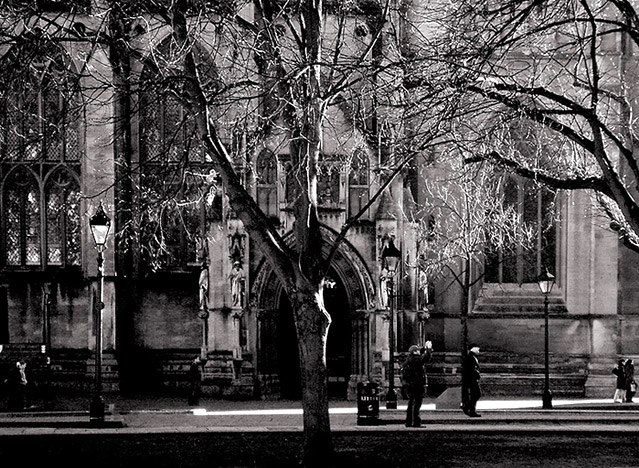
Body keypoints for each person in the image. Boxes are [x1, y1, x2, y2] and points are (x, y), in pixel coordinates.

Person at [401, 341, 433, 427]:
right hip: (416, 384)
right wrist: (429, 349)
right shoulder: (415, 359)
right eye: (417, 351)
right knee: (416, 403)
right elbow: (425, 358)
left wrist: (424, 348)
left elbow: (421, 355)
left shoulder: (410, 359)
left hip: (411, 384)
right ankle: (415, 422)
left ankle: (409, 421)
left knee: (412, 402)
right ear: (415, 352)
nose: (419, 352)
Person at [461, 344, 482, 417]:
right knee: (477, 394)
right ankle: (468, 407)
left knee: (475, 394)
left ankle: (471, 409)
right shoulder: (469, 357)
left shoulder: (471, 357)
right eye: (477, 349)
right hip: (471, 379)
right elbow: (470, 369)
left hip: (472, 379)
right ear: (473, 348)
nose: (478, 350)